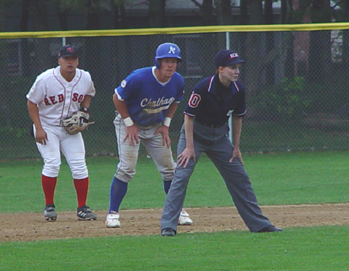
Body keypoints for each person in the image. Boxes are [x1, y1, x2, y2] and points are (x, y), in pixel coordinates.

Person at [160, 49, 282, 236]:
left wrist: (236, 148)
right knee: (181, 176)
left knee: (240, 178)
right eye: (232, 67)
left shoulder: (238, 89)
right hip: (195, 135)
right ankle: (168, 226)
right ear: (220, 69)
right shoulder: (203, 87)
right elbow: (188, 117)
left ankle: (259, 224)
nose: (237, 71)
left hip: (219, 138)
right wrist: (190, 147)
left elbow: (238, 118)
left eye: (238, 67)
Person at [105, 42, 193, 228]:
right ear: (158, 62)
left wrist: (166, 125)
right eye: (166, 61)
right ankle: (112, 213)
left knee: (170, 170)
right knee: (127, 168)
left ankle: (177, 211)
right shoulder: (139, 78)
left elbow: (175, 102)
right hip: (129, 123)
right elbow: (117, 98)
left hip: (155, 126)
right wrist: (129, 124)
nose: (170, 65)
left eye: (174, 61)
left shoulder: (177, 80)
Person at [26, 45, 97, 222]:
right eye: (66, 58)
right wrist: (39, 128)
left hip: (69, 128)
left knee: (79, 165)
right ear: (59, 61)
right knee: (52, 163)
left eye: (73, 58)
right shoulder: (45, 79)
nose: (70, 62)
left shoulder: (85, 77)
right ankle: (49, 206)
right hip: (47, 126)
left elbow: (89, 94)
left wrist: (85, 110)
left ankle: (82, 208)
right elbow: (31, 103)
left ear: (78, 61)